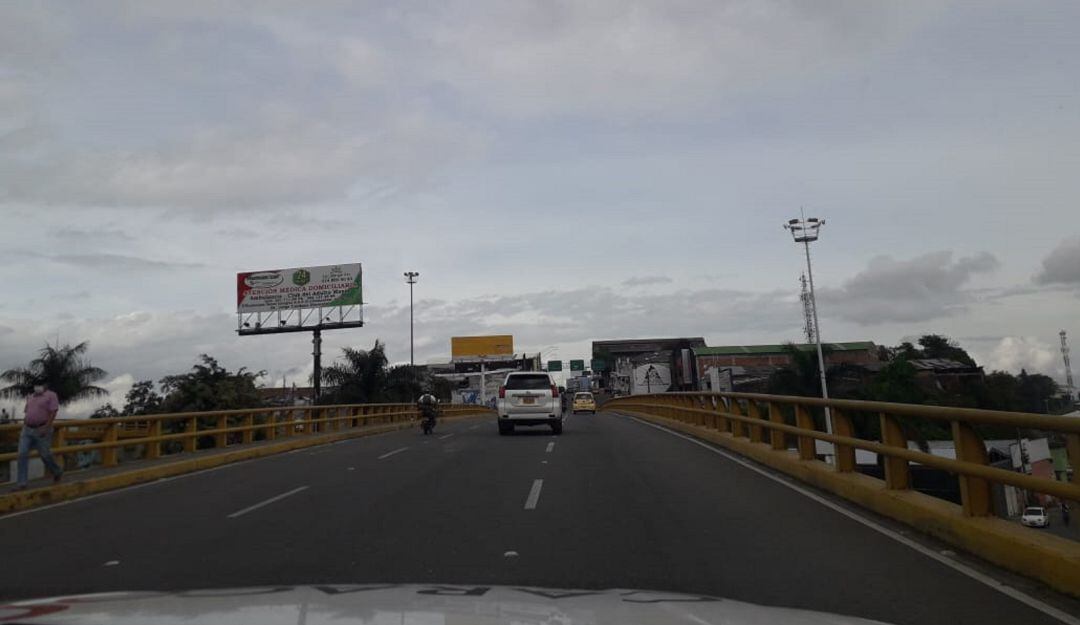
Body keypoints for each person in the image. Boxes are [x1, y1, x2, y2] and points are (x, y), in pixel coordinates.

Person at [16, 382, 63, 490]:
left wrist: (46, 427)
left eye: (40, 385)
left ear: (46, 385)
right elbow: (27, 411)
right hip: (27, 429)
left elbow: (53, 411)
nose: (37, 387)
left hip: (42, 428)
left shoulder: (51, 395)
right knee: (22, 454)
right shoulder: (31, 396)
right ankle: (22, 483)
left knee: (45, 454)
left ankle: (57, 471)